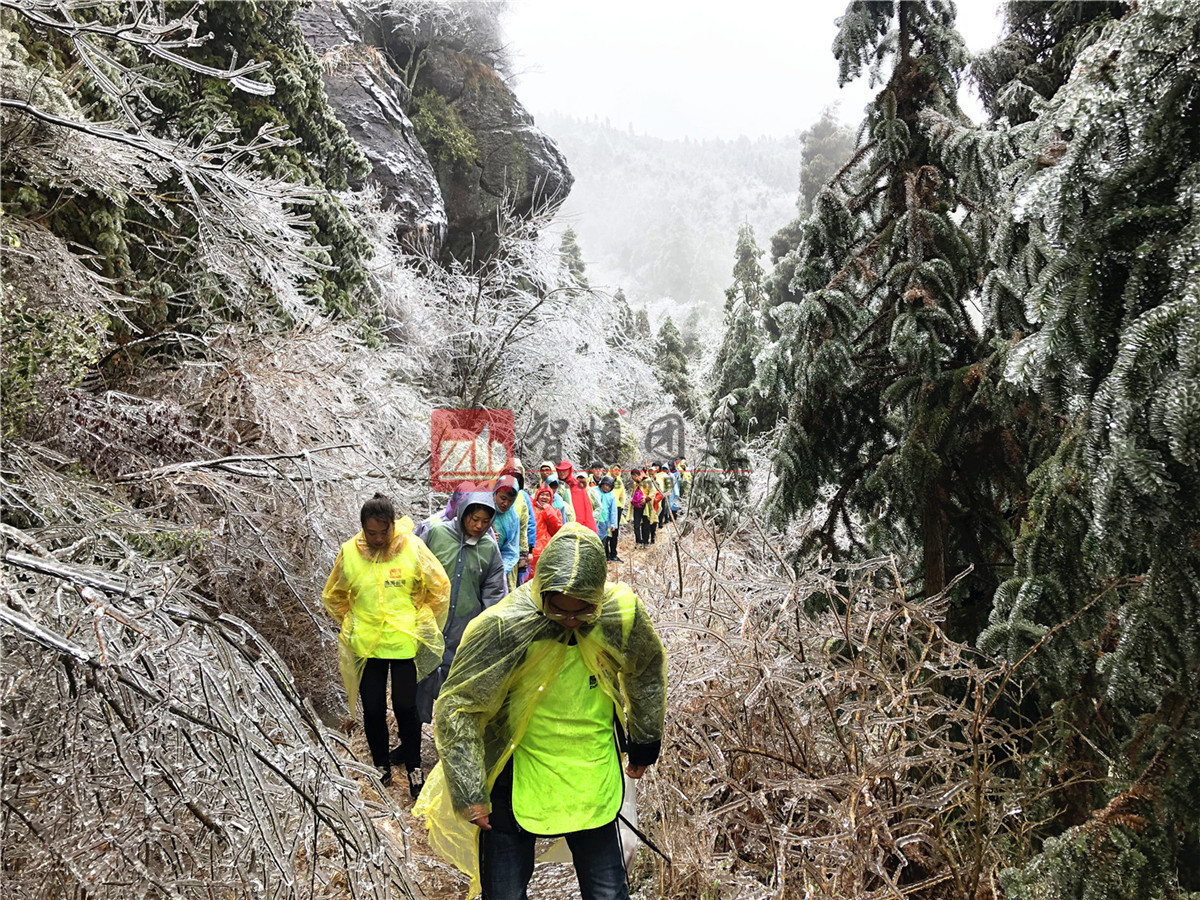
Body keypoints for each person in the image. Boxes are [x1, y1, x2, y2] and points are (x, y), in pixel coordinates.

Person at [414, 524, 667, 900]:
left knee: (608, 893)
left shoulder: (620, 615)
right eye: (558, 608)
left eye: (581, 611)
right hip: (514, 778)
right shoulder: (506, 627)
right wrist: (470, 792)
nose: (569, 620)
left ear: (597, 597)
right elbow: (459, 706)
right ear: (540, 589)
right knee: (503, 893)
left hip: (591, 778)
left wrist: (645, 741)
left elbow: (646, 671)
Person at [321, 493, 451, 797]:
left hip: (403, 640)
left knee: (406, 707)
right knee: (374, 708)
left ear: (394, 525)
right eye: (371, 533)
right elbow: (333, 595)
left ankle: (414, 766)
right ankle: (380, 765)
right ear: (363, 529)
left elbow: (439, 586)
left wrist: (422, 613)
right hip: (367, 644)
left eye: (384, 532)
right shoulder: (349, 552)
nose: (378, 539)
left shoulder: (412, 548)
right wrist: (349, 621)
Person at [414, 485, 508, 729]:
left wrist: (488, 631)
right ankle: (411, 740)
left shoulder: (488, 549)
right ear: (463, 513)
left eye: (485, 521)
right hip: (429, 625)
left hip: (463, 630)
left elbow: (494, 592)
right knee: (419, 682)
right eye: (474, 519)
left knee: (455, 688)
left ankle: (448, 737)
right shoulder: (435, 534)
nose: (479, 526)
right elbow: (413, 569)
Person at [490, 474, 522, 592]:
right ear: (495, 493)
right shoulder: (483, 507)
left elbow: (511, 550)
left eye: (510, 501)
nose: (506, 504)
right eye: (503, 498)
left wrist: (500, 571)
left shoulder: (512, 518)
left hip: (497, 568)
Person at [529, 485, 562, 577]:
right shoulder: (531, 509)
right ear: (537, 496)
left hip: (546, 552)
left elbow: (557, 530)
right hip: (531, 551)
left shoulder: (556, 512)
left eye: (547, 495)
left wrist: (548, 510)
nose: (545, 497)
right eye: (542, 494)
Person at [555, 460, 596, 532]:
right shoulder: (553, 484)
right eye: (560, 470)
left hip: (577, 523)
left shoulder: (577, 486)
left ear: (569, 470)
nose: (562, 473)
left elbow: (584, 507)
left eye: (565, 470)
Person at [596, 476, 620, 562]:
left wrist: (613, 524)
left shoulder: (611, 496)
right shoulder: (594, 491)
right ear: (602, 484)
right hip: (594, 520)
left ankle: (603, 558)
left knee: (603, 540)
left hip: (604, 521)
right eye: (605, 485)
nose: (607, 487)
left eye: (609, 486)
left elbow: (613, 511)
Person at [629, 468, 653, 547]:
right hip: (636, 506)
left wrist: (646, 499)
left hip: (645, 507)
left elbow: (653, 492)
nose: (633, 479)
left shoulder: (648, 481)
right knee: (636, 524)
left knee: (645, 524)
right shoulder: (635, 484)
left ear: (636, 476)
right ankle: (638, 541)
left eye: (633, 477)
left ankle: (645, 541)